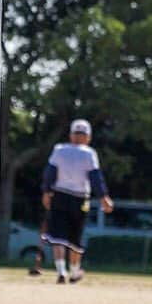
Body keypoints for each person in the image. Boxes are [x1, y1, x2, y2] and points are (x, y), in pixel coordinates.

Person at [41, 119, 114, 283]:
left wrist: (46, 192)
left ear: (71, 135)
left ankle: (61, 271)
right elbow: (95, 178)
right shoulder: (89, 153)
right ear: (88, 137)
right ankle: (74, 271)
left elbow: (50, 173)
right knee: (76, 235)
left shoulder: (59, 150)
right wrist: (104, 197)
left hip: (59, 194)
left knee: (57, 234)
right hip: (80, 197)